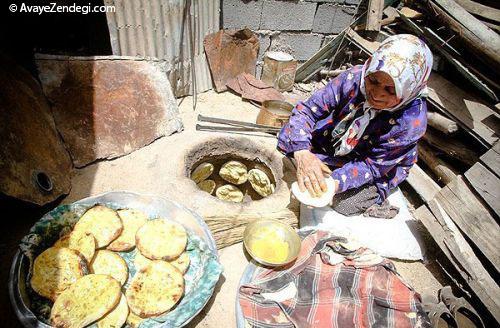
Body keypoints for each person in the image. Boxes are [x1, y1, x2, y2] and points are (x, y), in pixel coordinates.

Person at [278, 34, 433, 218]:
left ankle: (376, 198)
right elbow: (308, 110)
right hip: (337, 138)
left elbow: (372, 166)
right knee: (290, 138)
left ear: (409, 89)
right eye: (373, 81)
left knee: (344, 204)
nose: (376, 94)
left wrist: (335, 184)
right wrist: (303, 153)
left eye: (390, 90)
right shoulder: (354, 78)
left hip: (377, 161)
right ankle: (321, 161)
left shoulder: (411, 122)